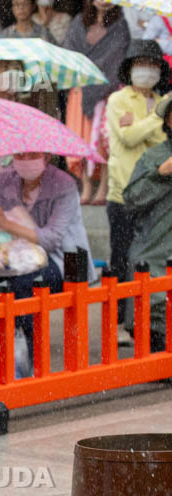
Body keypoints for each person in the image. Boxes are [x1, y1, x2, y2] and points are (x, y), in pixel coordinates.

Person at [0, 152, 97, 347]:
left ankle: (26, 351)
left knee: (23, 285)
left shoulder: (63, 184)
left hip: (63, 260)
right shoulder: (5, 179)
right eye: (20, 154)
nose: (25, 159)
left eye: (32, 155)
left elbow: (51, 240)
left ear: (46, 157)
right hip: (15, 255)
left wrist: (5, 224)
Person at [105, 39, 169, 326]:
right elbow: (128, 137)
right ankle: (118, 321)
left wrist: (144, 123)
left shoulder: (161, 101)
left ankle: (145, 318)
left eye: (153, 64)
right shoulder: (118, 100)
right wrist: (157, 118)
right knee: (121, 259)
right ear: (130, 67)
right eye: (141, 63)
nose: (147, 70)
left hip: (155, 196)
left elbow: (160, 143)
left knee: (148, 260)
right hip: (123, 194)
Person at [63, 1, 130, 206]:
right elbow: (69, 51)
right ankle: (86, 185)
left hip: (108, 90)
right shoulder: (78, 22)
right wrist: (83, 72)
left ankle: (103, 186)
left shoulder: (120, 24)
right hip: (80, 88)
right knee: (79, 137)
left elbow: (118, 58)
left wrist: (100, 77)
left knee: (103, 141)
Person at [123, 95, 172, 350]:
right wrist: (160, 174)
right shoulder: (154, 157)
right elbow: (131, 199)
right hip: (156, 247)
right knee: (151, 300)